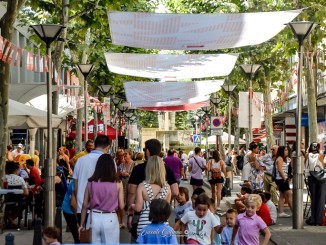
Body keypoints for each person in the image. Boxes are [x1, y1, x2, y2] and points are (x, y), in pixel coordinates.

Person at [127, 139, 178, 242]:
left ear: (147, 151)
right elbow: (176, 192)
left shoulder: (138, 170)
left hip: (141, 217)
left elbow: (131, 193)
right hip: (162, 219)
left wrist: (130, 212)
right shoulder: (168, 171)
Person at [79, 154, 124, 244]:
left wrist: (81, 224)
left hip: (94, 218)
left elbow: (84, 205)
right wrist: (121, 220)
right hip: (111, 218)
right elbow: (121, 206)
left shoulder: (91, 182)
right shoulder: (118, 183)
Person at [73, 135, 111, 224]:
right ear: (107, 147)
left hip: (82, 207)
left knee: (85, 236)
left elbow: (75, 187)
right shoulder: (109, 162)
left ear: (95, 145)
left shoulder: (80, 160)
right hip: (103, 209)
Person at [131, 156, 171, 237]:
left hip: (144, 225)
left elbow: (138, 208)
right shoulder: (167, 188)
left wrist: (132, 206)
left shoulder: (142, 186)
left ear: (148, 169)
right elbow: (167, 211)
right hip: (162, 226)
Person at [304, 142, 326, 226]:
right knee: (321, 199)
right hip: (321, 179)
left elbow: (305, 166)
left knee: (313, 199)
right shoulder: (320, 155)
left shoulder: (307, 155)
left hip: (311, 177)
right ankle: (319, 220)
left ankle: (313, 219)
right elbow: (322, 166)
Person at [118, 149, 135, 228]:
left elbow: (136, 175)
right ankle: (121, 222)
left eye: (126, 154)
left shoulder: (134, 164)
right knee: (121, 202)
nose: (124, 156)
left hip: (131, 185)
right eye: (124, 154)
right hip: (122, 185)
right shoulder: (121, 165)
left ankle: (131, 220)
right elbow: (117, 174)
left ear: (130, 155)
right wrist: (121, 174)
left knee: (131, 203)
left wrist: (128, 174)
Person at [275, 146, 293, 217]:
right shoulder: (280, 158)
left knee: (282, 195)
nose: (287, 151)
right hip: (281, 179)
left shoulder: (286, 159)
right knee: (289, 194)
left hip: (282, 179)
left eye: (287, 150)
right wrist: (285, 178)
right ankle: (294, 211)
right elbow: (280, 170)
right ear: (282, 151)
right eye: (285, 150)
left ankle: (281, 212)